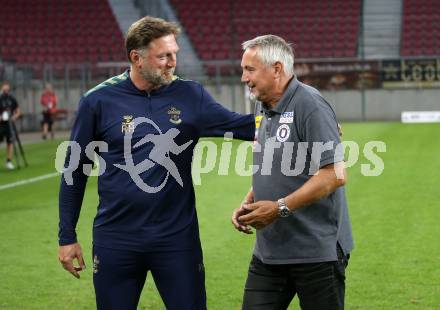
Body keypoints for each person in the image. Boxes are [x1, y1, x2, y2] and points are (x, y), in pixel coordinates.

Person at [58, 16, 254, 310]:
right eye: (163, 56)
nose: (172, 62)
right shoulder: (97, 101)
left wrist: (302, 120)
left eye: (174, 54)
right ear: (136, 58)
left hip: (176, 240)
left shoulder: (190, 95)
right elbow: (74, 171)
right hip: (116, 240)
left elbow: (242, 126)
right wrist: (66, 236)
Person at [232, 35, 353, 310]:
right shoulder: (261, 104)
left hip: (316, 252)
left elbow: (334, 174)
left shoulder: (310, 104)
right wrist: (250, 200)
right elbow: (274, 164)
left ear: (276, 69)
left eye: (249, 70)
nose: (243, 78)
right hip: (269, 252)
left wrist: (278, 208)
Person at [0, 82, 21, 170]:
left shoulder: (12, 98)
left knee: (10, 142)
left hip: (9, 124)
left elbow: (18, 111)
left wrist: (14, 117)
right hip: (1, 124)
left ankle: (9, 161)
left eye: (7, 90)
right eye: (4, 89)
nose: (6, 91)